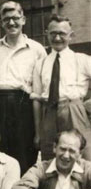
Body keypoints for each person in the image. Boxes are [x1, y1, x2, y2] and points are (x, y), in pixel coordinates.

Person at [0, 1, 47, 173]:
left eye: (15, 18)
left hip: (23, 108)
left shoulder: (37, 50)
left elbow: (40, 94)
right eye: (6, 19)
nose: (11, 23)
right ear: (1, 22)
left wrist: (39, 130)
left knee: (23, 154)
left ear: (24, 20)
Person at [32, 15, 91, 161]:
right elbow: (36, 99)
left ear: (71, 36)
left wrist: (86, 107)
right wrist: (38, 132)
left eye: (62, 34)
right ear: (47, 34)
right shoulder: (41, 63)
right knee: (50, 156)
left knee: (79, 155)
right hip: (49, 113)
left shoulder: (82, 60)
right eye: (53, 34)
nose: (57, 38)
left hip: (73, 110)